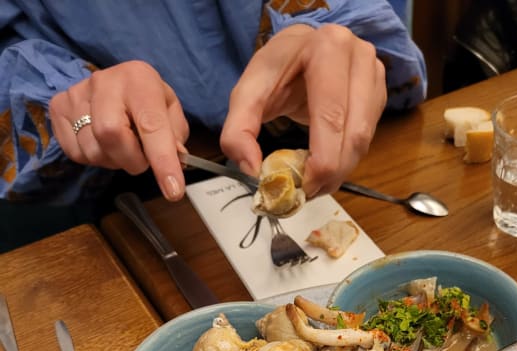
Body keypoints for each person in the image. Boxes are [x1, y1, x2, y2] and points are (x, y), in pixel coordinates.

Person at [0, 0, 426, 218]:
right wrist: (69, 93)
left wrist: (326, 34)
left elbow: (374, 28)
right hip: (131, 193)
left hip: (338, 148)